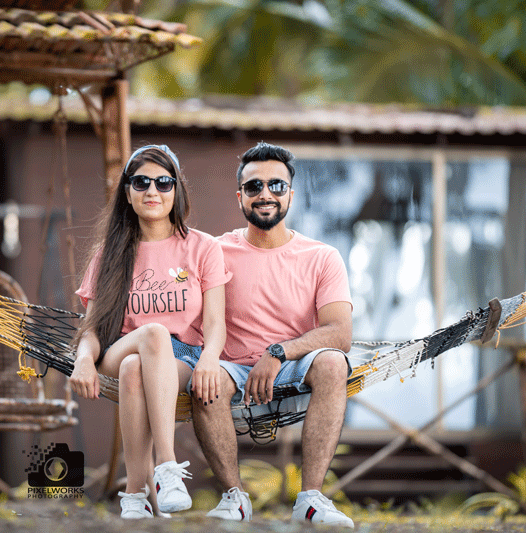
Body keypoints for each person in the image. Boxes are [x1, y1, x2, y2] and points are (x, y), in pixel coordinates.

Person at [192, 142, 355, 528]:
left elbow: (340, 333)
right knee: (204, 378)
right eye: (254, 187)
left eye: (276, 186)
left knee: (333, 362)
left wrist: (279, 352)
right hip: (231, 369)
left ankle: (311, 500)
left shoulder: (321, 257)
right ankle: (235, 497)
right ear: (240, 196)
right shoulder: (214, 252)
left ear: (291, 195)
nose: (265, 194)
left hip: (292, 368)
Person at [70, 145, 230, 519]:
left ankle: (135, 495)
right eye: (141, 182)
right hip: (120, 349)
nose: (152, 191)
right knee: (150, 337)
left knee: (134, 371)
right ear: (127, 191)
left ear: (177, 190)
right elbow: (92, 327)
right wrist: (82, 359)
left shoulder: (203, 247)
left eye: (163, 182)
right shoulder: (110, 253)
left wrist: (209, 359)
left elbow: (215, 324)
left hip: (183, 358)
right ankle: (168, 468)